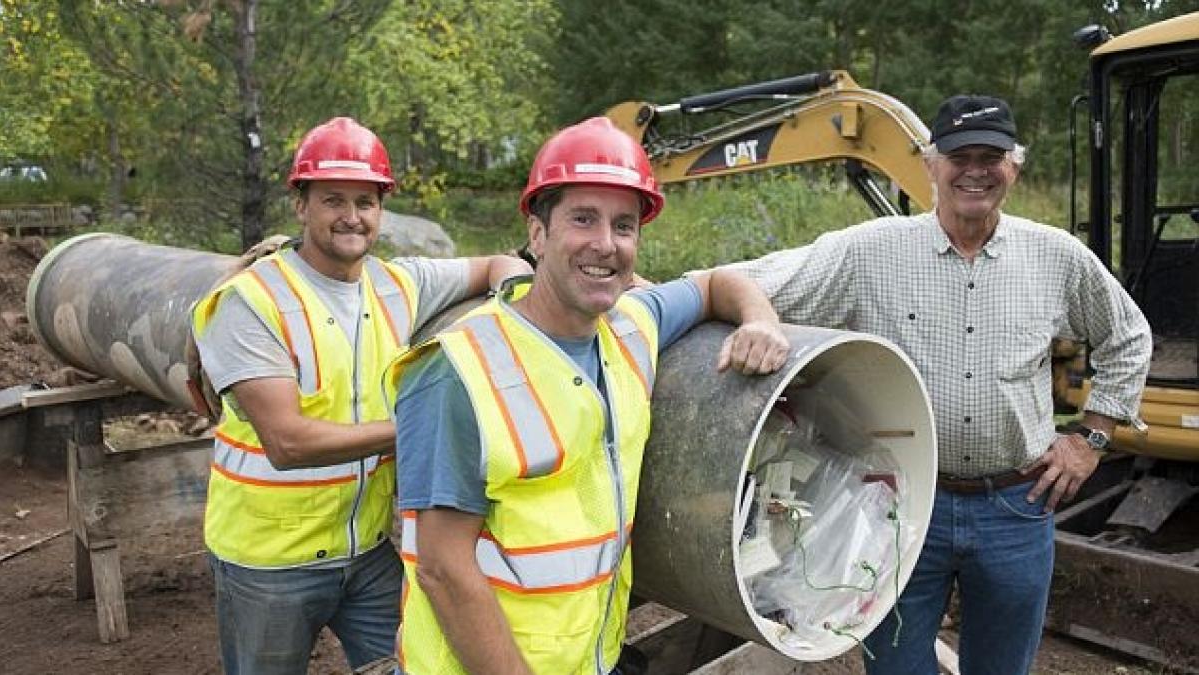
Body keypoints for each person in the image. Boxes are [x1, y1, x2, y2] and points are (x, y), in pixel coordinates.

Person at [717, 95, 1152, 674]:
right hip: (899, 507)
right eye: (959, 155)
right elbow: (747, 281)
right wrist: (722, 313)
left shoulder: (1056, 257)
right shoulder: (871, 252)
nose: (976, 169)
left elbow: (1129, 335)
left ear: (1014, 167)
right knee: (895, 667)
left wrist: (1089, 440)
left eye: (991, 156)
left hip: (1018, 507)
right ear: (930, 164)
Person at [388, 116, 791, 675]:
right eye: (583, 219)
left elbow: (713, 283)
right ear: (537, 233)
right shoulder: (457, 370)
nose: (606, 244)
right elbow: (442, 568)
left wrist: (761, 319)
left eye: (624, 226)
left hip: (587, 657)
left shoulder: (631, 325)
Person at [189, 116, 531, 674]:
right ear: (301, 205)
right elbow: (287, 442)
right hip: (269, 563)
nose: (352, 217)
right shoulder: (250, 301)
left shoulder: (398, 283)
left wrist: (515, 296)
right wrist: (421, 431)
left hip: (368, 551)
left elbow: (498, 264)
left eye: (366, 202)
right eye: (333, 201)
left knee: (418, 662)